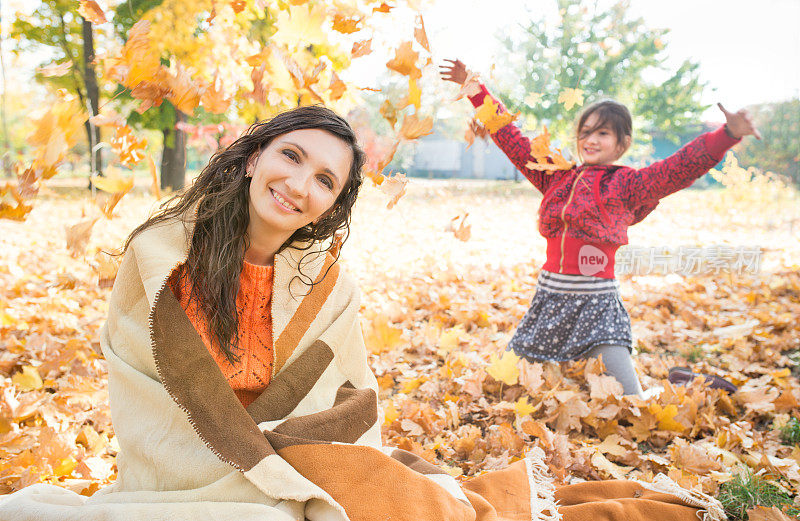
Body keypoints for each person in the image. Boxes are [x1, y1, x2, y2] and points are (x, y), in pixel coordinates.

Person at [0, 105, 726, 521]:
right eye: (290, 157)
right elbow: (166, 386)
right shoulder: (165, 249)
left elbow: (350, 394)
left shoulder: (321, 279)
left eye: (323, 180)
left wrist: (296, 447)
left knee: (396, 498)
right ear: (253, 157)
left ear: (331, 204)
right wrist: (260, 454)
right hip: (190, 466)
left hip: (293, 449)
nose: (298, 184)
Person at [440, 58, 760, 397]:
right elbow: (512, 138)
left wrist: (727, 135)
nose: (591, 140)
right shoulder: (556, 177)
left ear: (622, 143)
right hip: (549, 303)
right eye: (586, 132)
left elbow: (678, 168)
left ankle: (687, 383)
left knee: (631, 403)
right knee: (504, 388)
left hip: (597, 309)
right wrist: (474, 88)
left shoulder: (628, 184)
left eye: (602, 133)